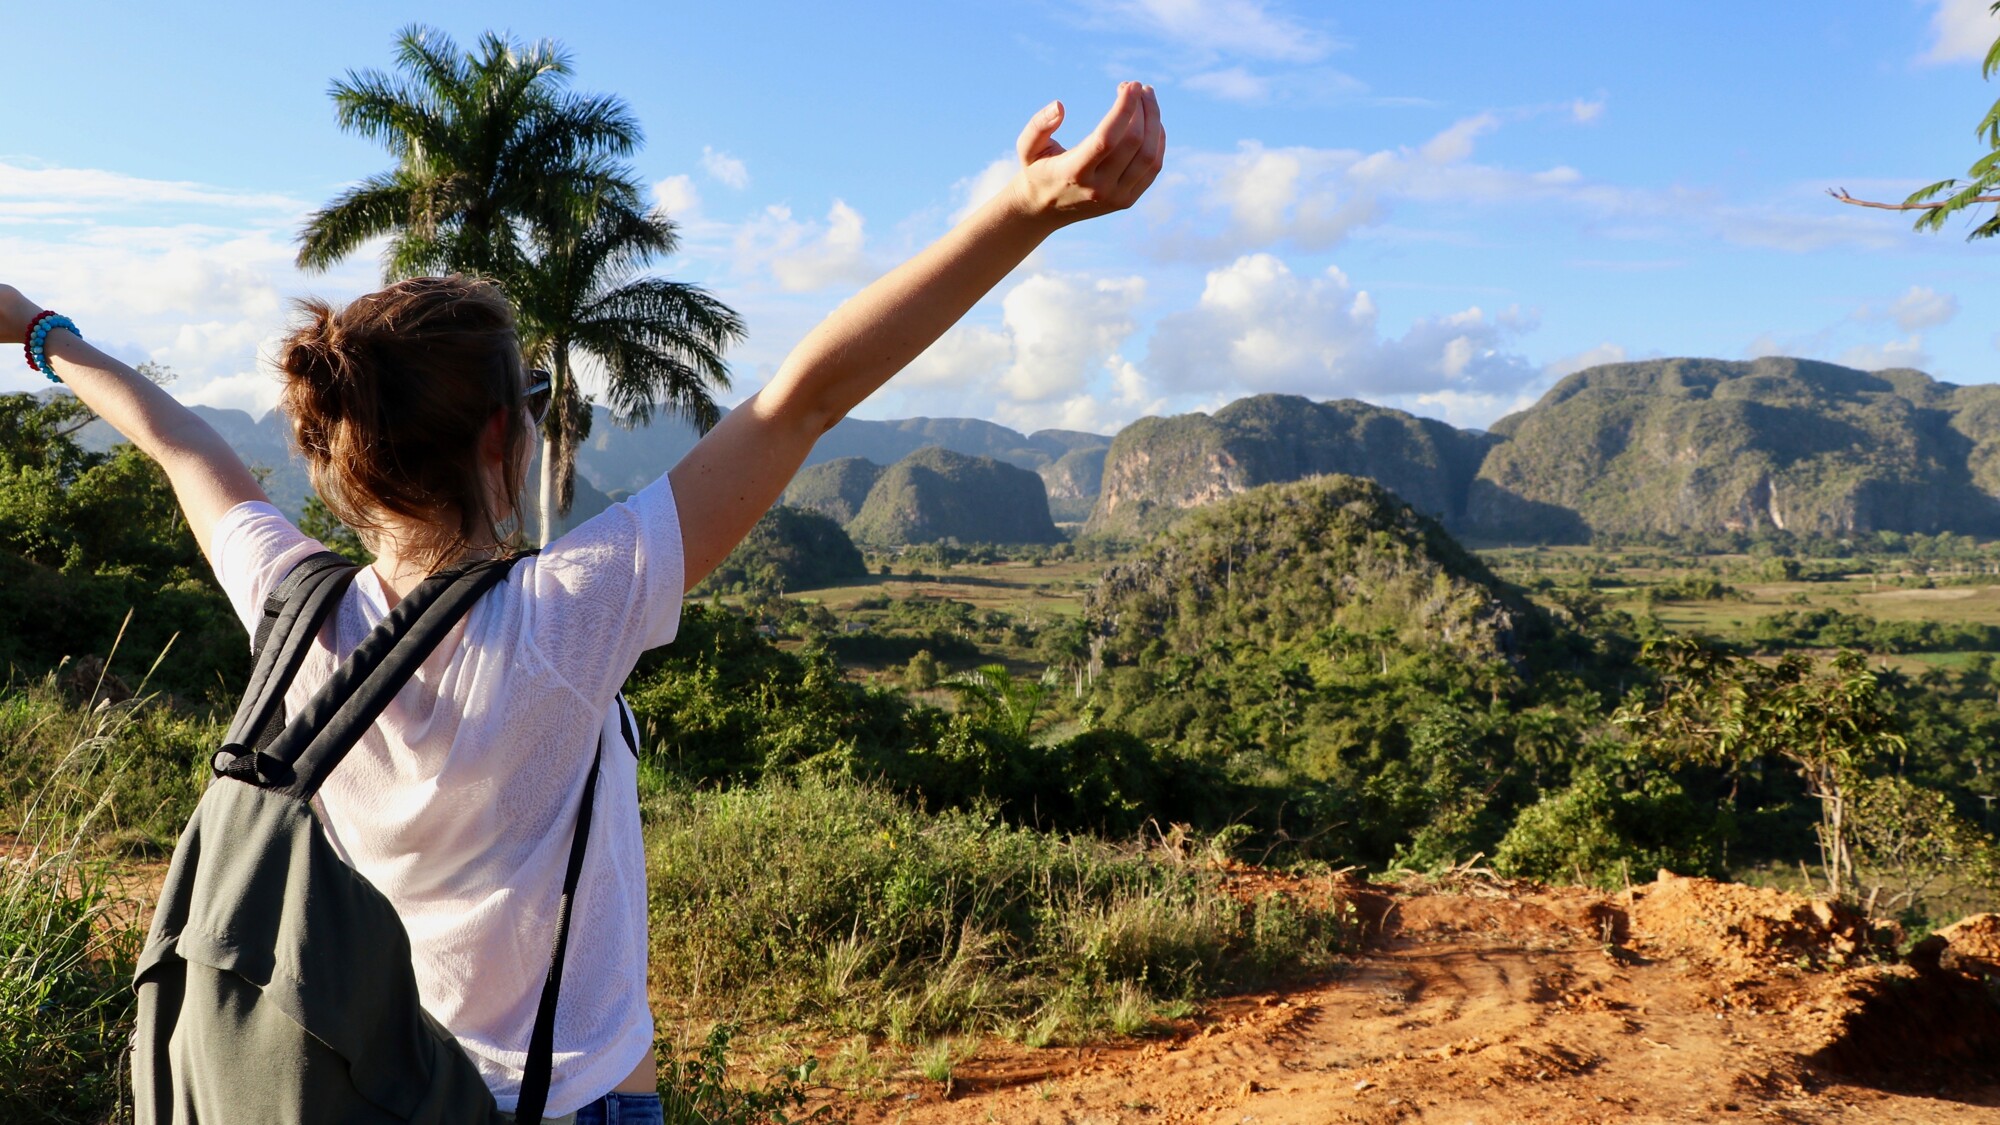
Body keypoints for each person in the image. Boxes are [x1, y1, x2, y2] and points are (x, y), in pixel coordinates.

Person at [1, 83, 1163, 1123]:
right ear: (506, 439)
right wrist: (1023, 212)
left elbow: (180, 447)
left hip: (364, 1088)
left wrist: (37, 330)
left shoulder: (285, 602)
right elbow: (803, 398)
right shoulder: (563, 619)